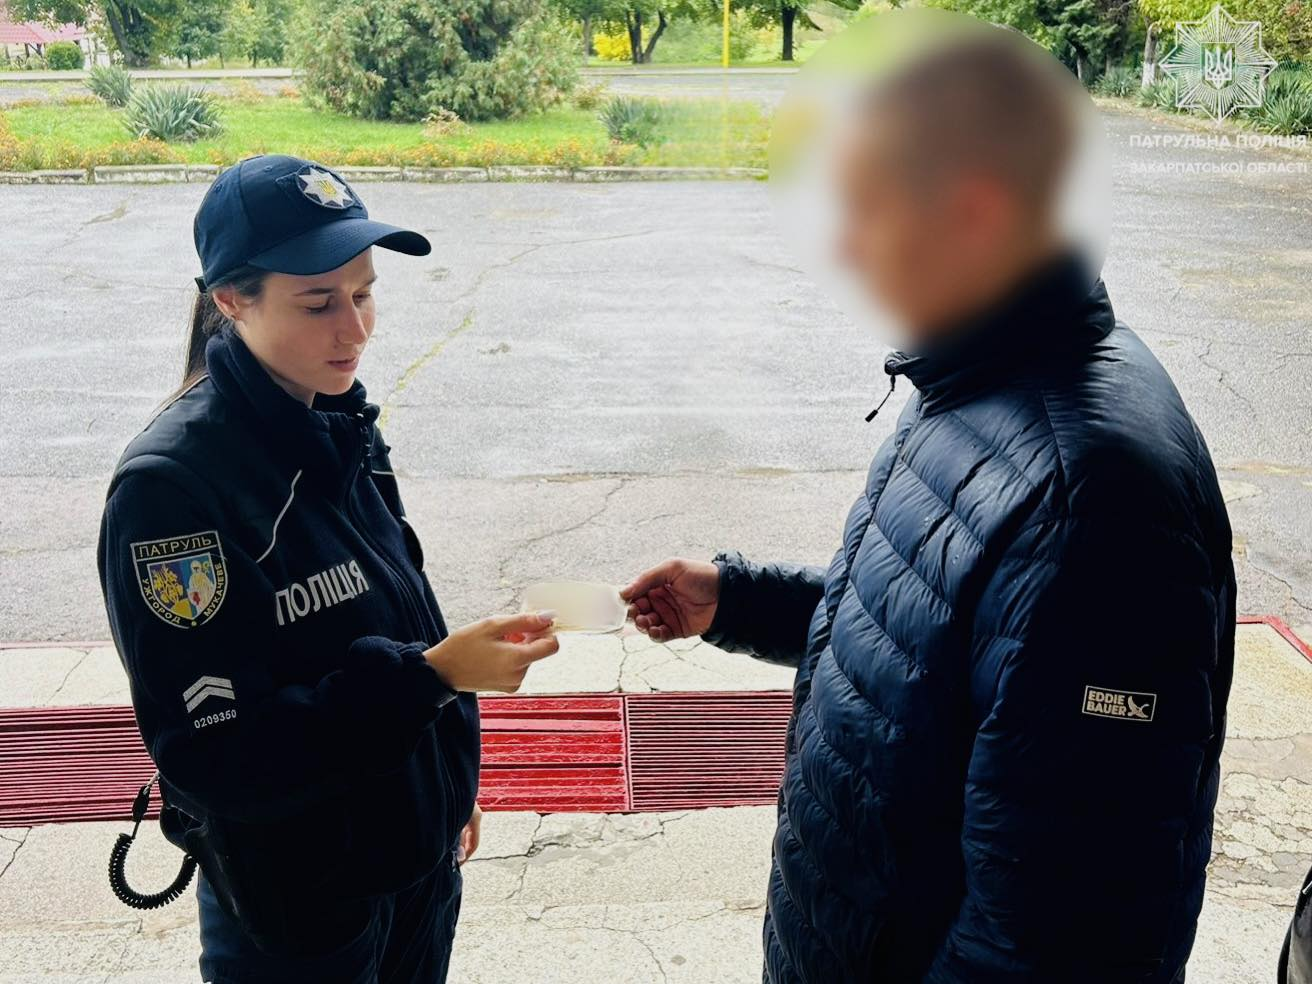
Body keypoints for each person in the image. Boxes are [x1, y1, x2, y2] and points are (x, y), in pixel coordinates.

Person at [623, 27, 1235, 984]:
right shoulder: (976, 368)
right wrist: (740, 601)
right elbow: (946, 638)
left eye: (865, 208)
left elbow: (1056, 940)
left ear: (975, 214)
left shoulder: (1097, 502)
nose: (842, 244)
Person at [96, 154, 560, 984]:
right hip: (303, 907)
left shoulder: (341, 420)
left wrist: (444, 787)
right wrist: (429, 681)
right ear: (230, 300)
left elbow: (396, 606)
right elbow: (220, 755)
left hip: (415, 860)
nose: (356, 330)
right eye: (318, 303)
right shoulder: (173, 491)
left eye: (364, 293)